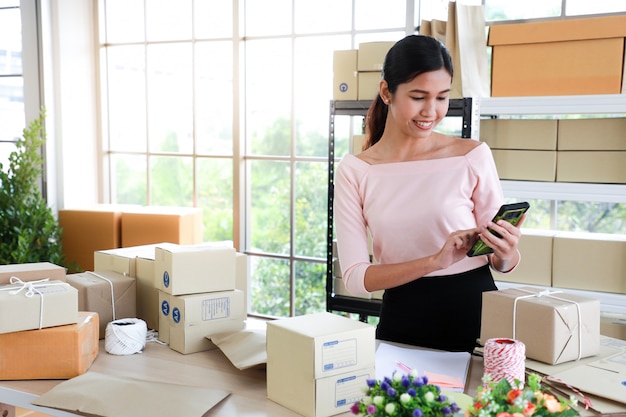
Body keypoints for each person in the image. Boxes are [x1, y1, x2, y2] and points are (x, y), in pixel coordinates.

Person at [333, 34, 525, 353]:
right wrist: (435, 261)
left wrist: (506, 252)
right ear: (386, 92)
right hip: (403, 320)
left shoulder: (471, 156)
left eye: (441, 97)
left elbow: (500, 260)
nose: (431, 111)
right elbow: (355, 277)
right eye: (419, 97)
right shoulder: (356, 170)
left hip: (478, 318)